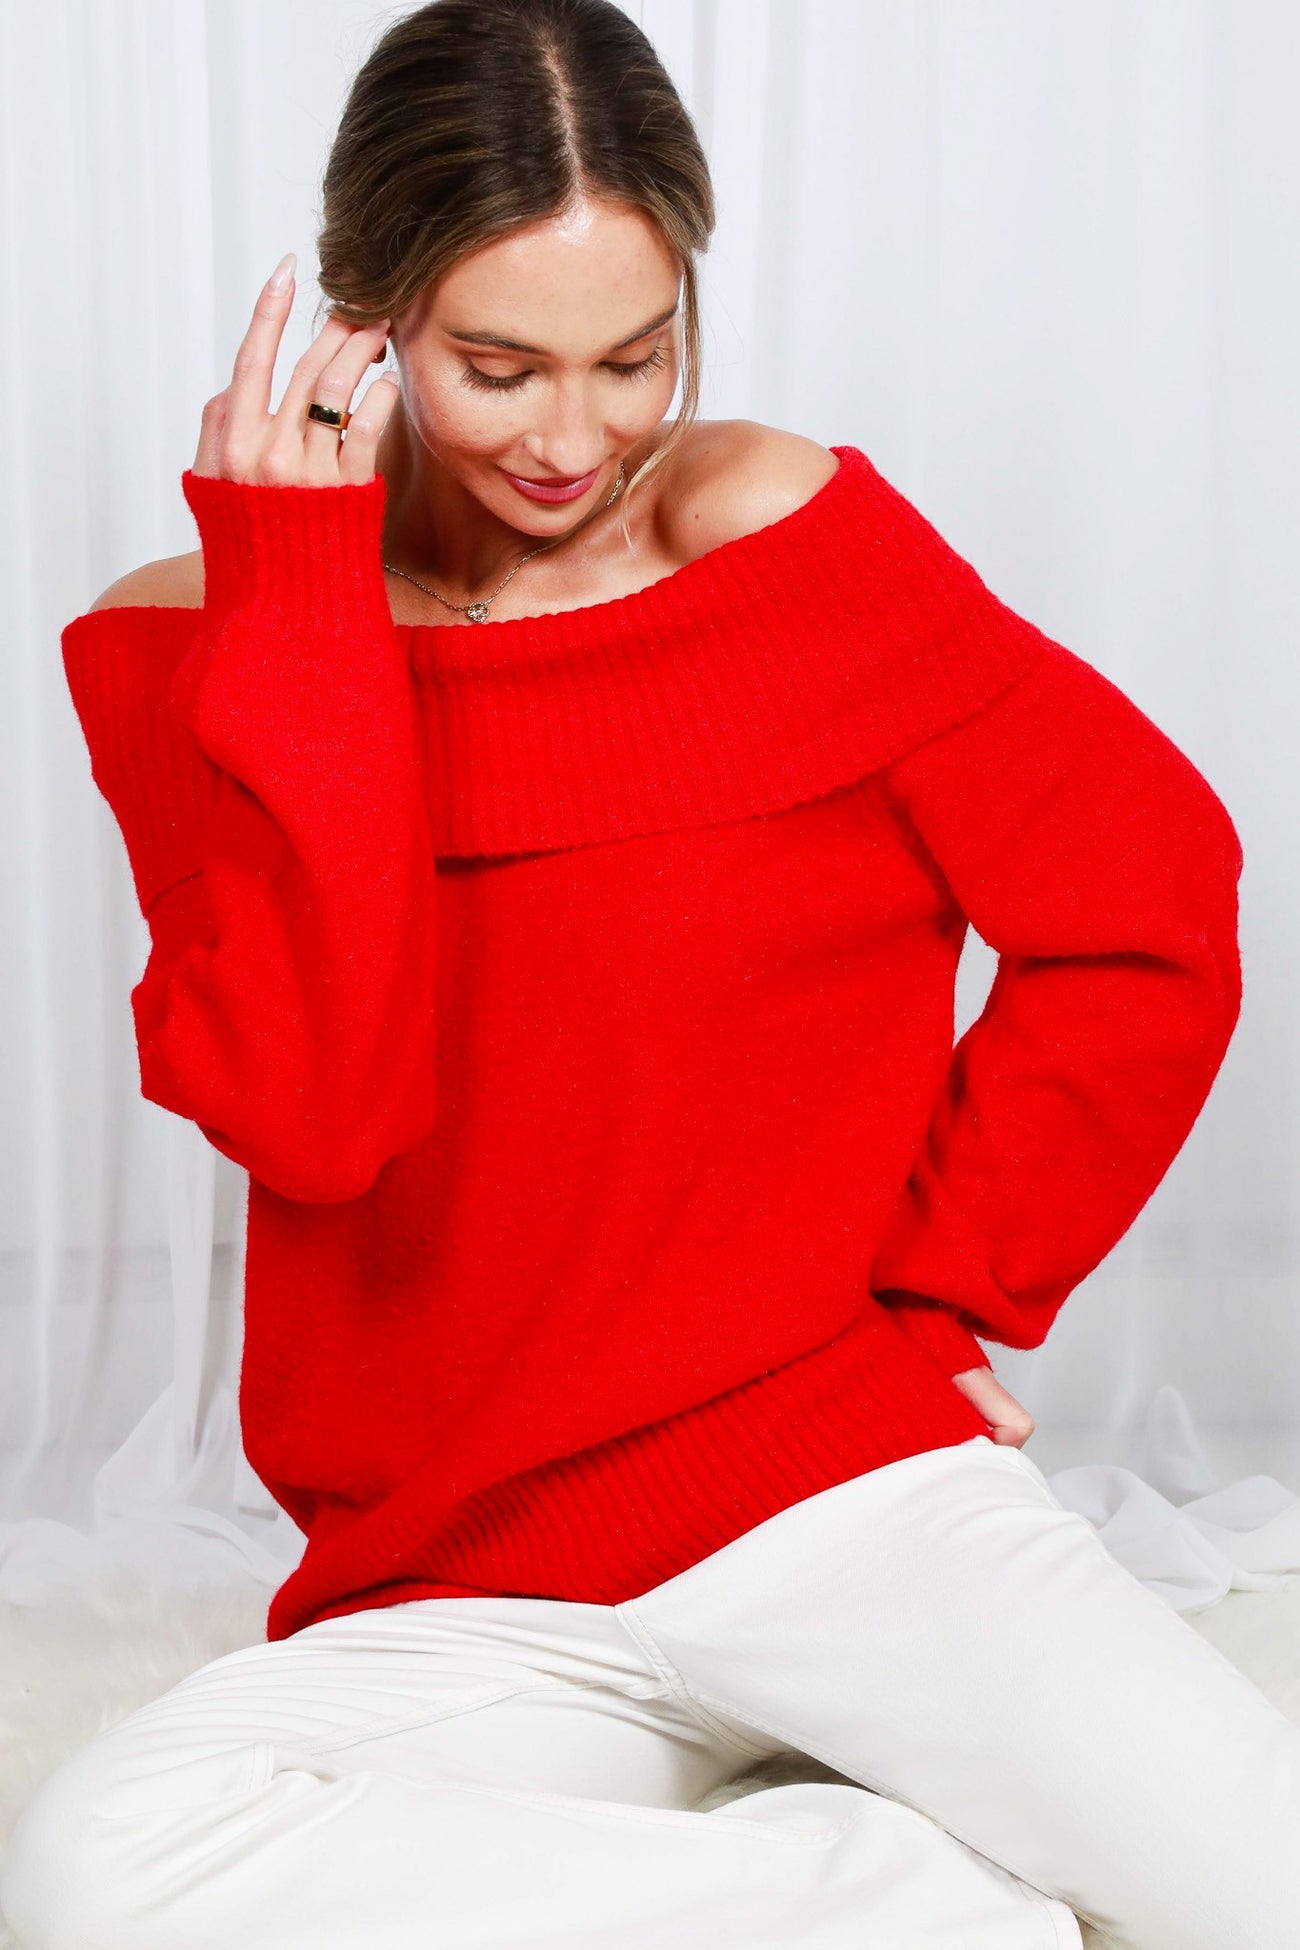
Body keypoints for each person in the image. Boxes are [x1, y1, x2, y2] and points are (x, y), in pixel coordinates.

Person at [3, 2, 1297, 1946]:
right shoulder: (197, 640)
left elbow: (1146, 895)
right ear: (371, 319)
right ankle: (919, 1901)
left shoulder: (777, 540)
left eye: (637, 356)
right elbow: (315, 1113)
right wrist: (301, 602)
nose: (574, 439)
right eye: (497, 367)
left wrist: (950, 1284)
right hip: (460, 1575)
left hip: (830, 1489)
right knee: (104, 1868)